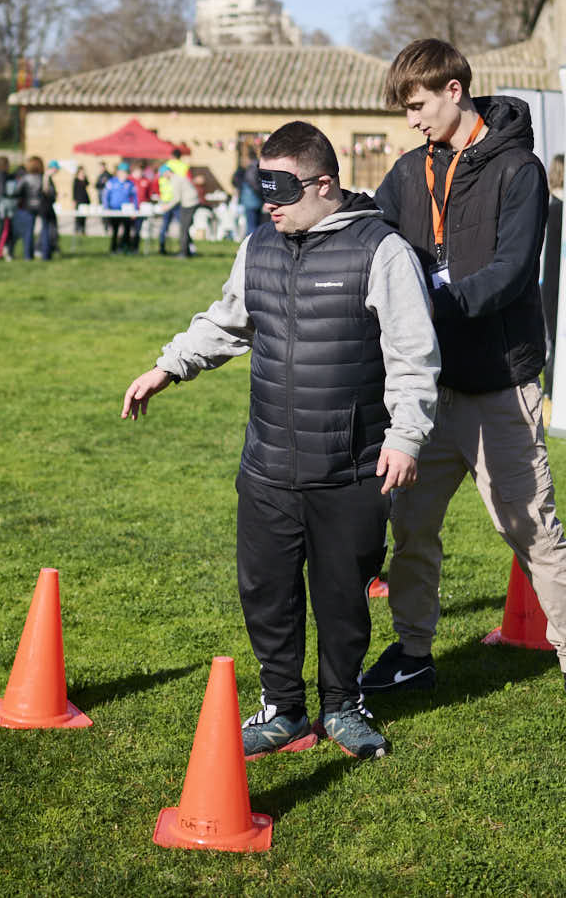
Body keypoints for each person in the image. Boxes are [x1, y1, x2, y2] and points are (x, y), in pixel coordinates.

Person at [121, 120, 439, 761]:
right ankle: (284, 710)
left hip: (349, 466)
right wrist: (168, 366)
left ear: (324, 185)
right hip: (267, 463)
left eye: (282, 189)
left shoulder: (383, 252)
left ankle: (343, 706)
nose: (268, 202)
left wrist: (406, 437)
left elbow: (413, 355)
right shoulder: (258, 245)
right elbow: (229, 320)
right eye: (261, 186)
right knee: (266, 590)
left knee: (342, 596)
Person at [359, 38, 566, 740]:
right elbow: (371, 234)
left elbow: (509, 273)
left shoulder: (520, 171)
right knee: (410, 533)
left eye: (416, 107)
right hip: (428, 392)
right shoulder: (411, 172)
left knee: (533, 532)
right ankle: (413, 654)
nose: (411, 122)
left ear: (452, 88)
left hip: (500, 386)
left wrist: (433, 308)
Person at [541, 154, 565, 399]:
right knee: (556, 340)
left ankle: (551, 388)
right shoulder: (558, 208)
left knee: (555, 340)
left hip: (551, 282)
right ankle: (550, 389)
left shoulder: (552, 206)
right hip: (555, 282)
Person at [101, 162, 138, 254]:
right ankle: (113, 248)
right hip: (114, 210)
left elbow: (135, 197)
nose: (124, 174)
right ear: (118, 172)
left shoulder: (130, 184)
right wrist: (106, 208)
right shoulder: (111, 182)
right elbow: (105, 196)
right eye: (123, 172)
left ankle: (125, 248)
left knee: (127, 230)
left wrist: (135, 209)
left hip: (126, 211)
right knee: (115, 230)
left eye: (126, 172)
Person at [232, 154, 265, 237]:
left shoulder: (251, 168)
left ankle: (251, 242)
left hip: (251, 200)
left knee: (252, 223)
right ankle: (253, 241)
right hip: (254, 199)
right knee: (253, 223)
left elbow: (251, 182)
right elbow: (253, 183)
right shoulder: (255, 167)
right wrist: (261, 193)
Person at [70, 165, 91, 241]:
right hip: (78, 200)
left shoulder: (84, 179)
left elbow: (88, 184)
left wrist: (84, 178)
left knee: (84, 216)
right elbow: (74, 190)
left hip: (84, 199)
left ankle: (83, 230)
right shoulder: (75, 180)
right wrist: (74, 200)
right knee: (78, 216)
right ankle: (77, 229)